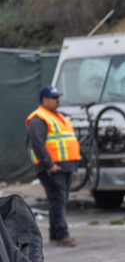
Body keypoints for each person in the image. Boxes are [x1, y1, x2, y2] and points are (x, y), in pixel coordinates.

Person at [25, 85, 81, 247]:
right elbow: (37, 144)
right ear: (44, 100)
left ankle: (56, 234)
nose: (58, 101)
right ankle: (61, 234)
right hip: (53, 168)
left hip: (64, 166)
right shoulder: (39, 119)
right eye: (54, 98)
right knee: (57, 199)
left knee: (59, 199)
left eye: (58, 97)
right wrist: (49, 165)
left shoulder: (57, 116)